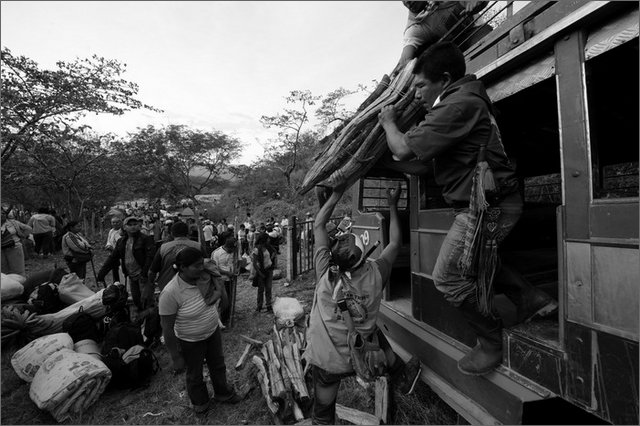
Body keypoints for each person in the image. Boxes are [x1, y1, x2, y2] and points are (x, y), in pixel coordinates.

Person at [379, 41, 558, 376]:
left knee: (448, 278)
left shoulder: (456, 105)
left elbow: (404, 149)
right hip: (489, 203)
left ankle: (490, 341)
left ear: (444, 79)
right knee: (479, 260)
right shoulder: (461, 102)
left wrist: (389, 123)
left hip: (488, 206)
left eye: (420, 86)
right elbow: (424, 166)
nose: (416, 94)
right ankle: (531, 298)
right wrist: (388, 162)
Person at [304, 183, 418, 424]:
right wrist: (392, 205)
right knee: (374, 329)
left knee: (323, 412)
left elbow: (318, 225)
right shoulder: (378, 272)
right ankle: (398, 372)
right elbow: (395, 243)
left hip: (327, 360)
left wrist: (335, 194)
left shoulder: (325, 272)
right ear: (363, 255)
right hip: (361, 356)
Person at [158, 247, 242, 414]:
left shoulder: (204, 277)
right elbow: (167, 329)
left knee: (218, 365)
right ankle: (200, 403)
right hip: (190, 341)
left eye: (201, 264)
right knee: (195, 374)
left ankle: (222, 393)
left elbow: (217, 289)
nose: (201, 267)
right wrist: (175, 356)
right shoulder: (170, 293)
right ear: (182, 267)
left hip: (212, 333)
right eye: (196, 266)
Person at [393, 1, 487, 75]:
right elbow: (405, 60)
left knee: (485, 43)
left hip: (474, 29)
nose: (408, 2)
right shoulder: (415, 28)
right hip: (454, 49)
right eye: (405, 2)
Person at [96, 216, 156, 313]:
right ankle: (141, 321)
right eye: (130, 225)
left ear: (139, 226)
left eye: (135, 224)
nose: (133, 227)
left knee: (146, 301)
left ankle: (150, 323)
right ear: (124, 227)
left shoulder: (146, 239)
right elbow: (112, 258)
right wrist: (102, 273)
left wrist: (145, 274)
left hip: (143, 276)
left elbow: (150, 258)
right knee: (136, 300)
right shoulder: (121, 242)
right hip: (131, 276)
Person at [149, 222, 202, 292]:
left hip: (167, 287)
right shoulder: (198, 246)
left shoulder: (163, 248)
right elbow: (208, 266)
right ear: (189, 232)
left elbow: (152, 271)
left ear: (171, 233)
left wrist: (151, 283)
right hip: (193, 288)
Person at [210, 237, 238, 326]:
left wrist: (237, 269)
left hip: (231, 279)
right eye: (231, 249)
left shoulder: (234, 252)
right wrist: (227, 273)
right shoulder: (216, 253)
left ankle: (226, 317)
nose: (232, 251)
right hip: (220, 280)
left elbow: (238, 261)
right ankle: (220, 319)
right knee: (224, 300)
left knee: (229, 299)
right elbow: (214, 268)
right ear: (227, 247)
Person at [1, 209, 32, 276]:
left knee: (18, 271)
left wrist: (22, 236)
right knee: (3, 272)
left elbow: (28, 229)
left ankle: (21, 284)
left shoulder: (13, 222)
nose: (2, 215)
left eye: (3, 213)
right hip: (1, 251)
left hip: (14, 247)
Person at [251, 232, 277, 313]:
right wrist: (260, 273)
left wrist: (271, 259)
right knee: (261, 289)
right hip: (261, 271)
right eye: (268, 238)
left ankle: (268, 305)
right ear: (264, 240)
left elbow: (274, 252)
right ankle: (259, 306)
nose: (269, 240)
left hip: (269, 270)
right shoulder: (256, 249)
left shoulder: (268, 247)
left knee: (268, 288)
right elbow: (254, 264)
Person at [104, 216, 124, 283]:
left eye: (117, 222)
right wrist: (108, 245)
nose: (115, 224)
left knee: (121, 270)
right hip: (112, 254)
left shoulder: (122, 231)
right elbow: (109, 240)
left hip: (121, 254)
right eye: (113, 222)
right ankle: (116, 283)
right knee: (114, 270)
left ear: (121, 222)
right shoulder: (111, 231)